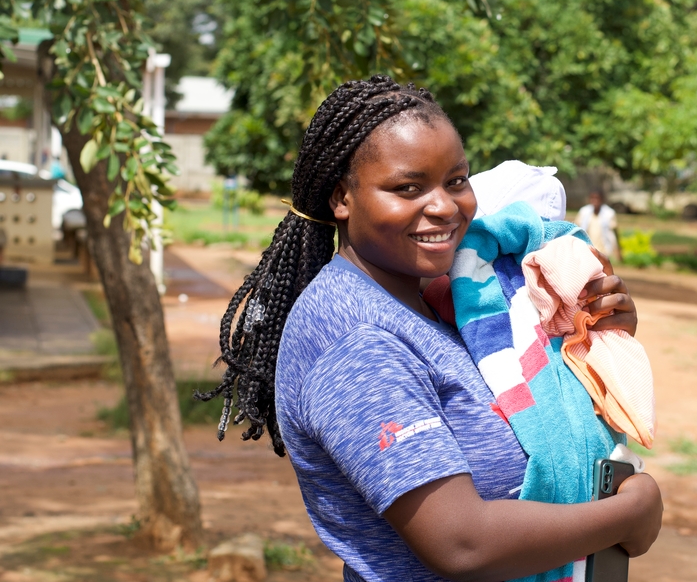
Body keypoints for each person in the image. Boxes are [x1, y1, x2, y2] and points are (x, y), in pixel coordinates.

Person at [201, 76, 662, 582]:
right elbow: (461, 543)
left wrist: (593, 336)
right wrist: (628, 517)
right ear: (342, 198)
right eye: (408, 188)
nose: (444, 206)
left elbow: (537, 411)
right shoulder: (357, 339)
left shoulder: (440, 301)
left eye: (457, 180)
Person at [575, 191, 622, 262]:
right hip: (588, 250)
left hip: (603, 251)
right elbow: (576, 229)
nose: (594, 201)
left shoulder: (609, 213)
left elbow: (615, 231)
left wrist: (619, 250)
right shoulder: (584, 212)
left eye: (597, 198)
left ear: (602, 199)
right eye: (592, 198)